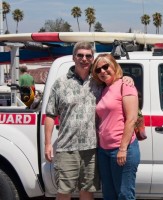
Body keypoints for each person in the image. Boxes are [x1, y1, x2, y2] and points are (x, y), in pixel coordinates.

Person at [44, 42, 133, 200]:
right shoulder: (60, 83)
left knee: (87, 191)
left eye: (88, 56)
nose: (84, 59)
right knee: (64, 191)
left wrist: (127, 77)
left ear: (92, 59)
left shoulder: (99, 81)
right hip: (66, 148)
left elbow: (116, 82)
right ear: (74, 57)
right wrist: (48, 144)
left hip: (92, 148)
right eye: (80, 55)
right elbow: (50, 114)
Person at [92, 53, 140, 200]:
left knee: (124, 195)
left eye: (106, 67)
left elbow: (131, 119)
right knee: (109, 195)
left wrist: (122, 149)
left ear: (114, 66)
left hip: (121, 149)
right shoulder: (104, 89)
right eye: (98, 69)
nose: (102, 71)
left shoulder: (125, 85)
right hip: (104, 151)